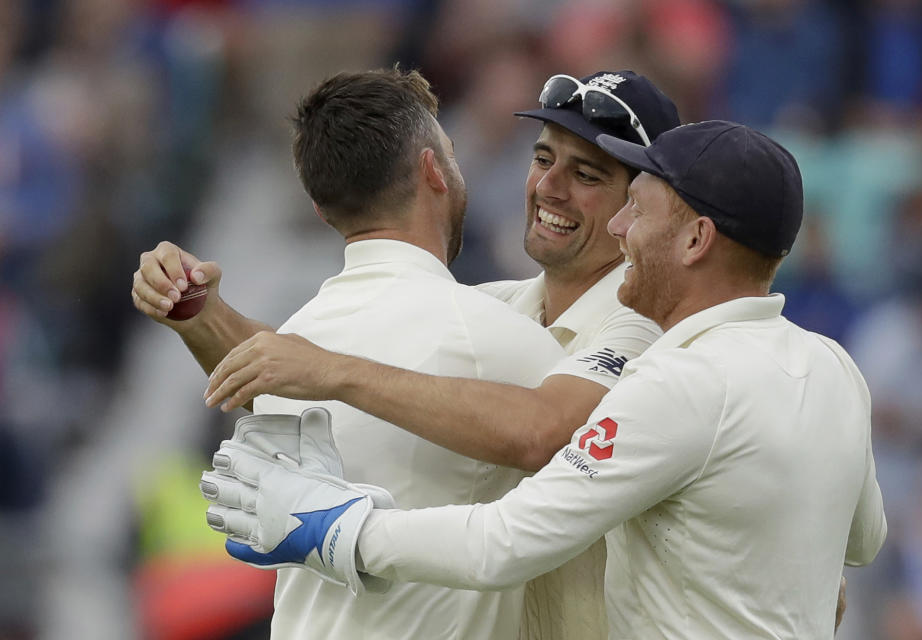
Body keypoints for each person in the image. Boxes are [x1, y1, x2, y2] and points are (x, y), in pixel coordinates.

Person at [204, 120, 887, 639]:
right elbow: (862, 541)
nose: (618, 229)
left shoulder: (677, 384)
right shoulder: (835, 368)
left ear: (695, 240)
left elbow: (503, 543)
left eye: (637, 210)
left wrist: (332, 528)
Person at [143, 70, 681, 640]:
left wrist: (333, 372)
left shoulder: (652, 327)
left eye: (587, 174)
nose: (549, 187)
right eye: (543, 159)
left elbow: (544, 429)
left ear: (643, 204)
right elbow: (284, 368)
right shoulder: (493, 315)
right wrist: (204, 315)